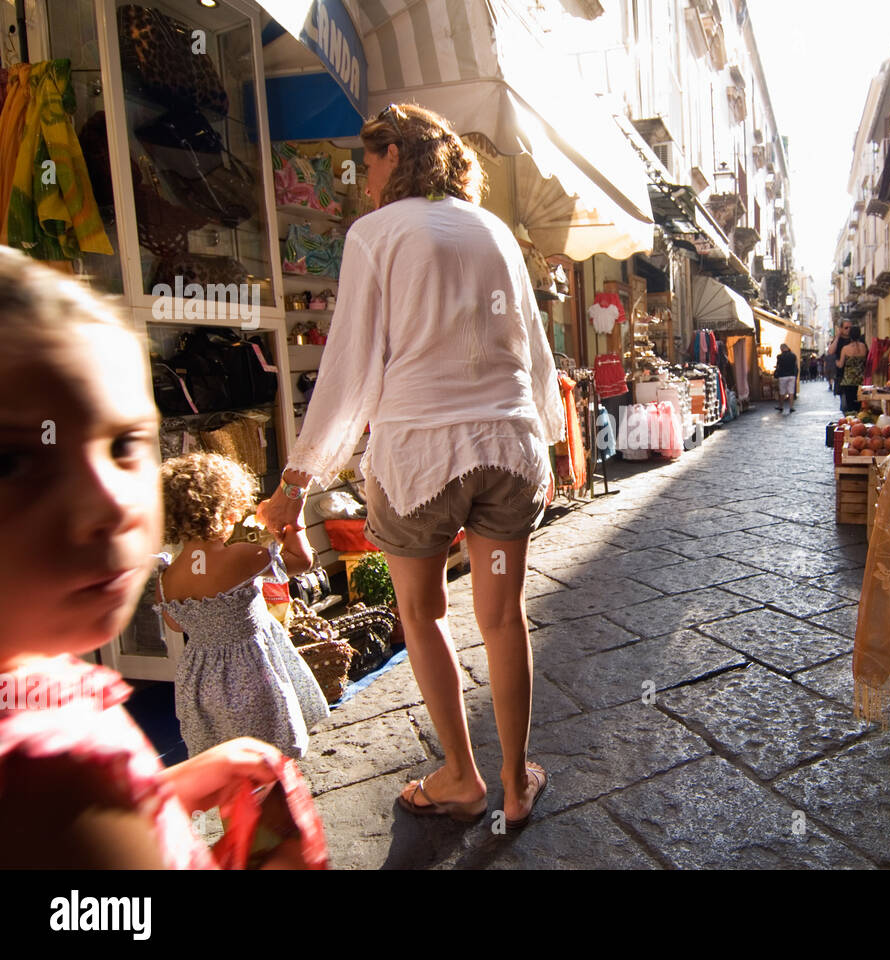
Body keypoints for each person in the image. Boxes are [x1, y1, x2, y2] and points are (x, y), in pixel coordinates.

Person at [257, 103, 562, 828]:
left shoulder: (375, 234)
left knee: (421, 615)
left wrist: (298, 480)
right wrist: (547, 430)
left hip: (420, 461)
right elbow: (532, 347)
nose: (362, 177)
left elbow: (350, 368)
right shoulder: (495, 231)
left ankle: (461, 775)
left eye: (367, 160)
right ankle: (516, 783)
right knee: (502, 617)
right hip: (504, 453)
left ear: (394, 154)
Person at [0, 248, 317, 868]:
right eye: (12, 461)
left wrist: (160, 792)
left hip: (201, 688)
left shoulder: (43, 706)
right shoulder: (58, 771)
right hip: (252, 676)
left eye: (123, 445)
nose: (107, 502)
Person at [157, 452, 328, 760]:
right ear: (230, 511)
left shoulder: (168, 577)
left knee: (229, 761)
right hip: (252, 672)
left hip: (200, 682)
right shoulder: (241, 556)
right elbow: (301, 562)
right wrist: (292, 524)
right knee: (270, 754)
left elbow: (175, 623)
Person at [838, 325, 868, 415]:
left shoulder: (845, 349)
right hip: (860, 381)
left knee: (850, 408)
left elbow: (841, 365)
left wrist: (835, 362)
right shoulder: (864, 347)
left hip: (848, 381)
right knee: (859, 407)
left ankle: (851, 425)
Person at [774, 343, 799, 414]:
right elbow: (796, 366)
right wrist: (795, 374)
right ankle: (791, 407)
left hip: (783, 376)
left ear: (782, 349)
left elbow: (778, 366)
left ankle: (781, 406)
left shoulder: (779, 356)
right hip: (791, 375)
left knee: (782, 392)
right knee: (791, 392)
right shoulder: (793, 356)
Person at [828, 320, 852, 392]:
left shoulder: (854, 339)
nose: (849, 330)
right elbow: (831, 351)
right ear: (841, 329)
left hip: (853, 374)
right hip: (841, 374)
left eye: (850, 328)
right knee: (844, 401)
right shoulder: (838, 340)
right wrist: (837, 337)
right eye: (846, 328)